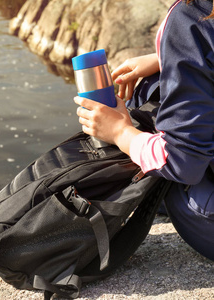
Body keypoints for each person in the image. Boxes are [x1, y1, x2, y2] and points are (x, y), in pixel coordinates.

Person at [74, 0, 214, 261]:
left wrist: (120, 133)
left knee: (166, 175)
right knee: (152, 87)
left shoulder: (193, 16)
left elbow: (183, 161)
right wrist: (167, 57)